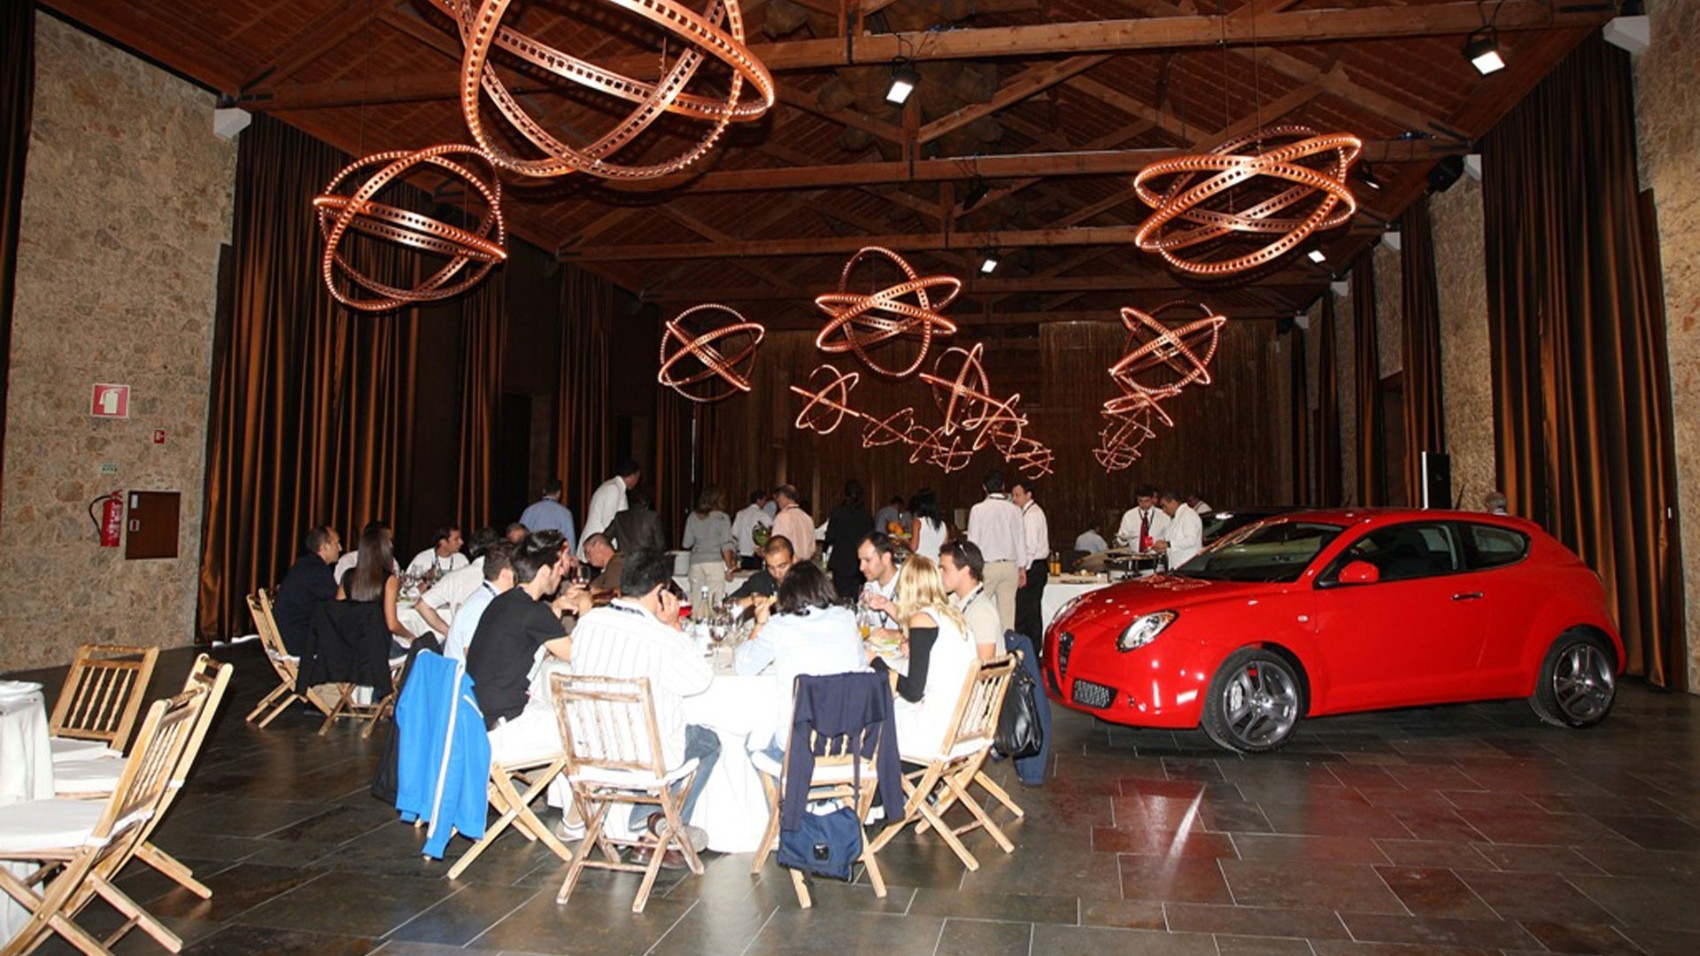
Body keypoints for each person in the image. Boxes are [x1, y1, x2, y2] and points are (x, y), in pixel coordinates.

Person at [569, 549, 717, 855]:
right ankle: (661, 829)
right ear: (661, 591)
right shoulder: (660, 637)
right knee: (708, 741)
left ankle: (650, 817)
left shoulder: (588, 623)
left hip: (591, 751)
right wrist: (675, 627)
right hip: (646, 756)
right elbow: (700, 681)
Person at [466, 537, 585, 772]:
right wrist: (586, 606)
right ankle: (581, 795)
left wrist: (556, 609)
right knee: (581, 725)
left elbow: (530, 639)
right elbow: (580, 656)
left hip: (475, 718)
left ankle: (551, 789)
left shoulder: (502, 602)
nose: (562, 573)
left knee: (555, 708)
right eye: (558, 567)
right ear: (544, 571)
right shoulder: (533, 612)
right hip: (501, 730)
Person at [735, 561, 867, 754]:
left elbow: (744, 666)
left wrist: (760, 624)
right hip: (847, 742)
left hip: (799, 746)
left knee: (745, 743)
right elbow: (861, 667)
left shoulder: (779, 625)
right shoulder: (846, 618)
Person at [867, 556, 977, 760]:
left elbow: (913, 691)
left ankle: (878, 779)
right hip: (968, 725)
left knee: (872, 716)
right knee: (894, 707)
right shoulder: (952, 616)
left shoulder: (922, 620)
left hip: (939, 731)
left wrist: (874, 661)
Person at [966, 469, 1028, 636]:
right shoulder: (1015, 510)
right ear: (1003, 486)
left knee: (978, 610)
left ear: (984, 487)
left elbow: (973, 543)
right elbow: (1020, 541)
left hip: (987, 567)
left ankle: (981, 645)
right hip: (1010, 566)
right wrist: (1022, 569)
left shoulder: (978, 510)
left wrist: (972, 569)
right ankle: (1008, 649)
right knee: (1007, 617)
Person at [415, 526, 502, 638]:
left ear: (472, 550)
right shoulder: (505, 575)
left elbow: (422, 605)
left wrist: (450, 633)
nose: (461, 542)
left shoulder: (457, 571)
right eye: (457, 539)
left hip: (462, 640)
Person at [338, 523, 415, 647]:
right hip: (377, 647)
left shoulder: (348, 576)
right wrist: (410, 635)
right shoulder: (389, 580)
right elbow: (392, 625)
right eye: (389, 542)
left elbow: (337, 611)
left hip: (349, 644)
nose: (392, 545)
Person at [273, 525, 342, 655]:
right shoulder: (317, 569)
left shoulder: (305, 564)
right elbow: (338, 602)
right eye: (337, 543)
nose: (340, 548)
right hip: (297, 640)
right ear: (324, 546)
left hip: (287, 634)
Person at [442, 541, 515, 662]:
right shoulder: (480, 605)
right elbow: (474, 658)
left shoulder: (492, 598)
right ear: (505, 575)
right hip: (465, 673)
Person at [940, 539, 1004, 659]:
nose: (940, 574)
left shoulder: (982, 613)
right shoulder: (953, 600)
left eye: (945, 569)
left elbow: (985, 665)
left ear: (965, 571)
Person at [682, 485, 737, 605]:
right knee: (715, 601)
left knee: (696, 601)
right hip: (714, 564)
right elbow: (726, 546)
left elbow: (686, 543)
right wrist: (729, 569)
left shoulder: (693, 516)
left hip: (696, 563)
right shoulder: (723, 518)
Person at [1011, 479, 1049, 642]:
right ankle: (1030, 647)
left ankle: (1029, 648)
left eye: (1018, 495)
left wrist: (1023, 570)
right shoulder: (1029, 512)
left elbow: (1030, 547)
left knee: (1026, 614)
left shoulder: (1032, 515)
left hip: (1033, 567)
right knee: (1031, 612)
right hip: (1035, 566)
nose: (1014, 499)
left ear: (1029, 495)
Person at [824, 480, 874, 600]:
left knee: (841, 598)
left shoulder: (837, 513)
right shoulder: (867, 515)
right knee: (858, 597)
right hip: (860, 562)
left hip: (841, 562)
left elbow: (830, 537)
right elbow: (872, 539)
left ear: (845, 494)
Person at [582, 460, 642, 553]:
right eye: (637, 478)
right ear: (633, 476)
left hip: (600, 546)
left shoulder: (616, 488)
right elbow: (608, 522)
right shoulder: (613, 489)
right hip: (596, 547)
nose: (637, 482)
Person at [855, 531, 901, 637]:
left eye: (867, 560)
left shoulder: (910, 582)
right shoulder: (870, 585)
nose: (861, 568)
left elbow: (921, 627)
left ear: (886, 558)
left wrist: (898, 634)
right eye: (860, 561)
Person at [730, 535, 793, 605]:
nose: (777, 574)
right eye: (771, 567)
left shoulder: (802, 584)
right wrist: (751, 600)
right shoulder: (759, 581)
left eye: (782, 566)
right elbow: (725, 605)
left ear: (793, 560)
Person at [519, 480, 577, 554]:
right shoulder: (565, 513)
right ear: (559, 493)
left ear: (544, 491)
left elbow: (519, 535)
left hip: (532, 556)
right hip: (554, 556)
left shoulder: (530, 510)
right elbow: (570, 542)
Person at [334, 519, 399, 582]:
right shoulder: (348, 561)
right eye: (386, 541)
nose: (391, 545)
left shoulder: (392, 562)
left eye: (391, 540)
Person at [606, 490, 667, 555]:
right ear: (648, 503)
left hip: (623, 560)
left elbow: (605, 537)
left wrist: (614, 553)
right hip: (646, 560)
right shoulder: (653, 518)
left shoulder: (619, 517)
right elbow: (661, 546)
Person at [1155, 489, 1205, 569]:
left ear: (1173, 502)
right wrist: (1164, 547)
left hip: (1188, 565)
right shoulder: (1177, 517)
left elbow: (1191, 540)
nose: (1163, 510)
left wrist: (1168, 544)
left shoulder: (1188, 515)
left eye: (1164, 506)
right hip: (1178, 564)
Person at [1116, 484, 1170, 553]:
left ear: (1153, 499)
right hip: (1135, 556)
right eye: (1140, 501)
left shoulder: (1164, 515)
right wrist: (1123, 539)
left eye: (1147, 501)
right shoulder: (1129, 516)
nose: (1143, 504)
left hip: (1156, 556)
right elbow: (1121, 542)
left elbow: (1170, 539)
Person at [770, 484, 816, 563]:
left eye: (778, 499)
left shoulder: (782, 517)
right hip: (806, 564)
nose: (778, 502)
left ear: (783, 497)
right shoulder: (807, 518)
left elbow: (777, 544)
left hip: (789, 564)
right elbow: (813, 548)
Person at [730, 489, 773, 570]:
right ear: (759, 500)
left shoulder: (740, 514)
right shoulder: (764, 515)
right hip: (757, 555)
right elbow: (770, 534)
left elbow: (734, 534)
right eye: (764, 500)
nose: (765, 503)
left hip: (742, 554)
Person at [910, 488, 948, 561]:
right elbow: (945, 549)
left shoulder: (918, 522)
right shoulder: (943, 525)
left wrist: (905, 541)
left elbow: (913, 548)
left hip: (922, 564)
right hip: (936, 564)